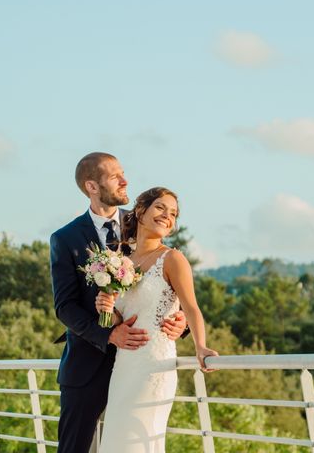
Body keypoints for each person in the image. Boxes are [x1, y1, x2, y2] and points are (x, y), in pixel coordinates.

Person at [50, 153, 188, 453]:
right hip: (87, 365)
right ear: (92, 186)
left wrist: (182, 321)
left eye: (123, 173)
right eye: (115, 176)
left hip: (141, 366)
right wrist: (108, 333)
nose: (125, 181)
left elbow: (173, 282)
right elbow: (65, 306)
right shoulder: (65, 238)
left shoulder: (146, 221)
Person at [95, 187, 218, 453]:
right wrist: (107, 309)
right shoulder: (121, 261)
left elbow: (192, 307)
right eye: (161, 208)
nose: (167, 216)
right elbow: (120, 318)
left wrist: (201, 346)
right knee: (116, 442)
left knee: (139, 441)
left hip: (153, 368)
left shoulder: (173, 259)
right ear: (140, 210)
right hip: (123, 368)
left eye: (173, 213)